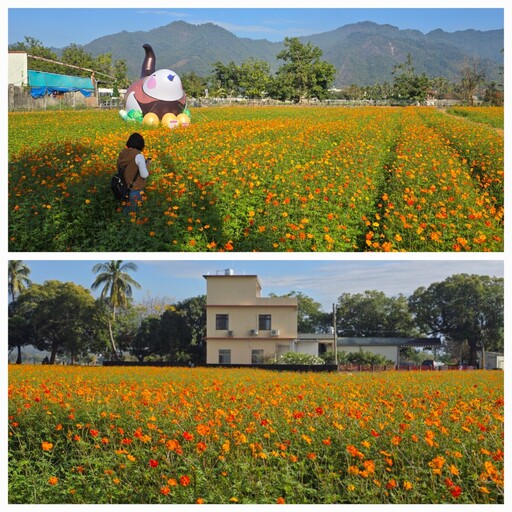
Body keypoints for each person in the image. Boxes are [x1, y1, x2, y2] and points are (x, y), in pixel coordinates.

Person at [117, 132, 150, 213]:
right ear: (141, 144)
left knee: (126, 213)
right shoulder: (138, 156)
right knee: (133, 216)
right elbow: (144, 174)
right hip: (135, 190)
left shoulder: (122, 154)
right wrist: (147, 165)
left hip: (123, 189)